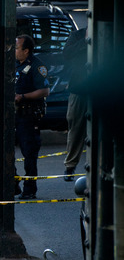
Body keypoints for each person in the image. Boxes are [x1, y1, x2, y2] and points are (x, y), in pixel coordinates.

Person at [14, 35, 49, 199]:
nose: (14, 51)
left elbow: (44, 91)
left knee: (29, 153)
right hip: (15, 115)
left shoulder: (37, 66)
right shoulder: (15, 64)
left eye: (16, 48)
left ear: (26, 50)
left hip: (29, 116)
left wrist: (23, 96)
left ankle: (30, 188)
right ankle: (13, 184)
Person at [63, 28, 88, 181]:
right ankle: (70, 166)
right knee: (75, 125)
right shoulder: (78, 35)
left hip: (100, 88)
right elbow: (67, 54)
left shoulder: (107, 34)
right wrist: (85, 41)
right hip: (79, 87)